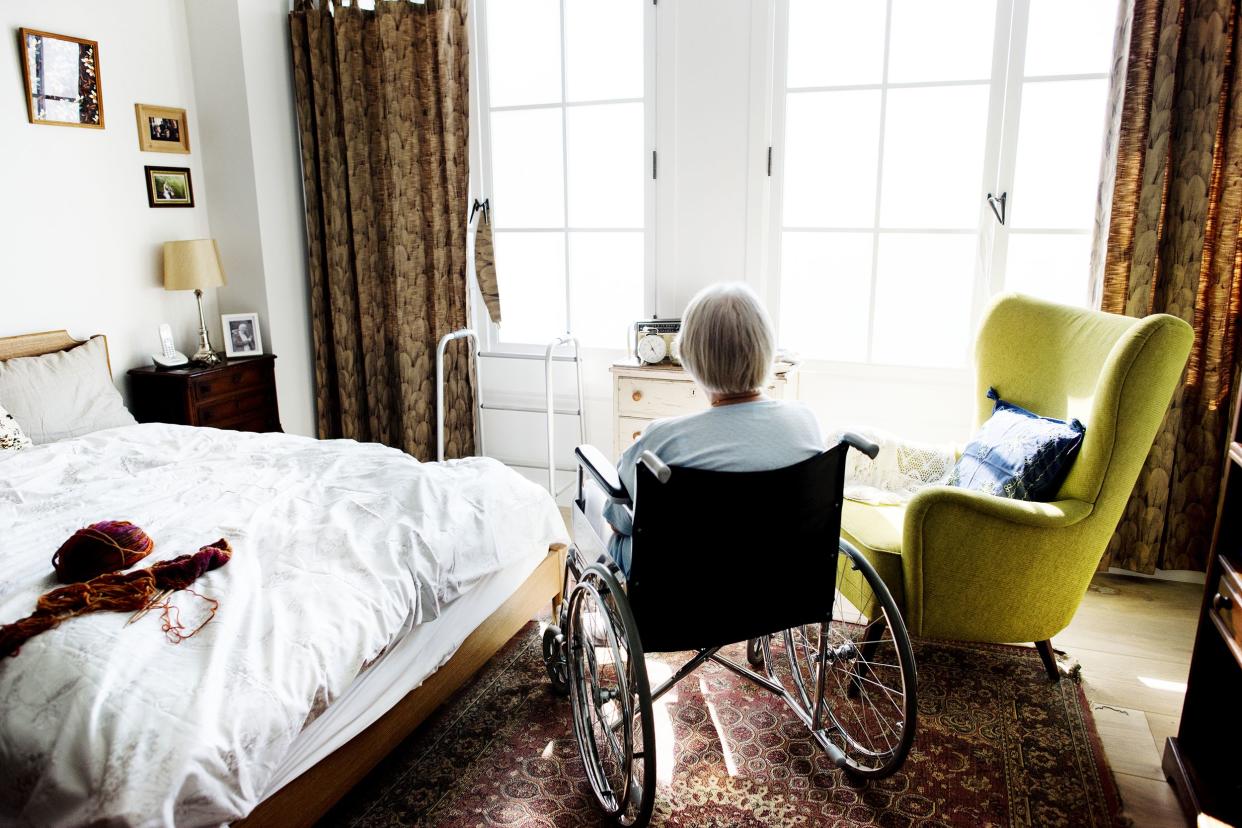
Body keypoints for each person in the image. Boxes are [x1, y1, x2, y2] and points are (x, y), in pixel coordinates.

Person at [592, 282, 824, 577]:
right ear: (767, 350)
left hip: (686, 581)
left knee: (598, 507)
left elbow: (620, 521)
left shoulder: (661, 442)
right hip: (778, 576)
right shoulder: (805, 422)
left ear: (688, 357)